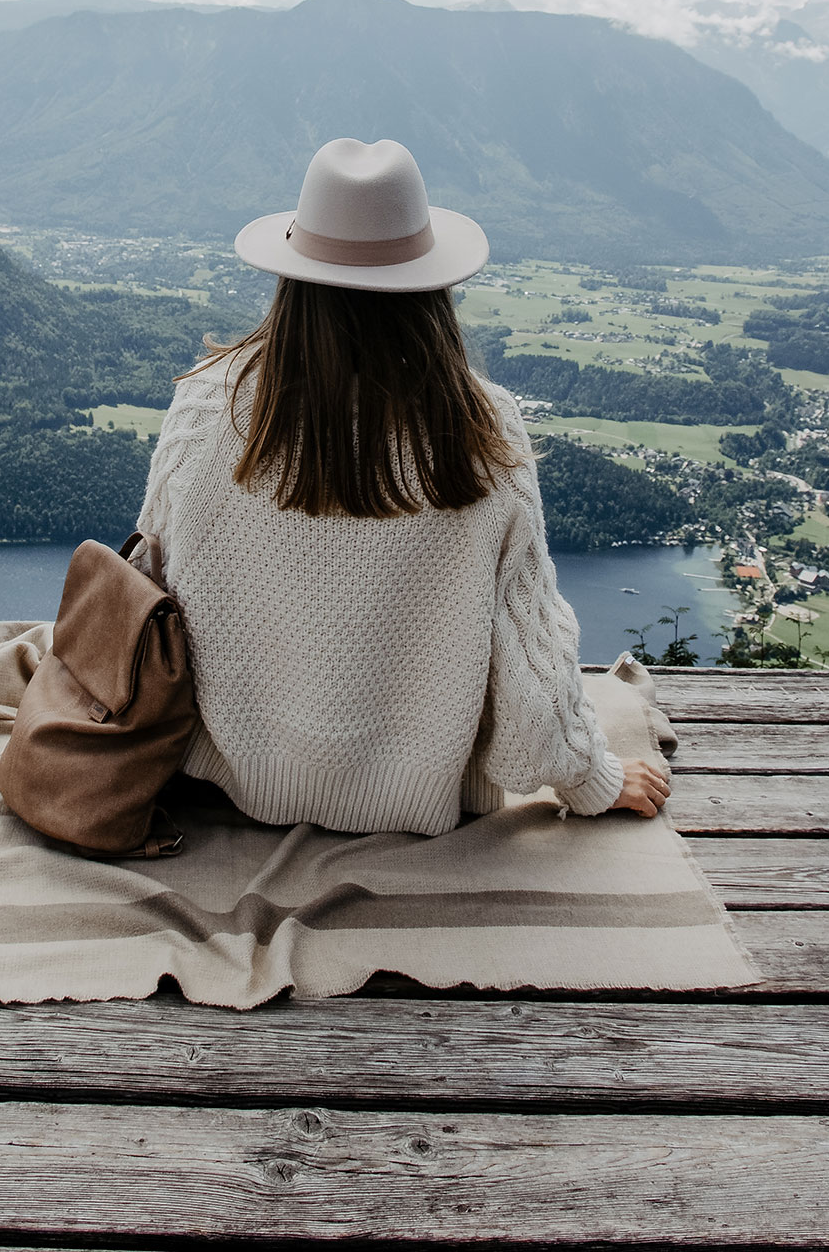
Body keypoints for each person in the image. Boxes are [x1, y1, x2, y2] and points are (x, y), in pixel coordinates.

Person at [136, 137, 670, 837]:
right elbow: (525, 641)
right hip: (418, 801)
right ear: (429, 287)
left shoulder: (207, 404)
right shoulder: (481, 430)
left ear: (290, 278)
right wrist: (590, 779)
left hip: (218, 779)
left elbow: (146, 583)